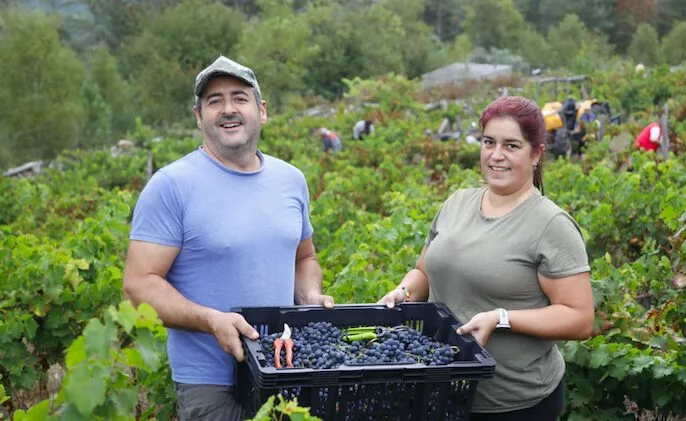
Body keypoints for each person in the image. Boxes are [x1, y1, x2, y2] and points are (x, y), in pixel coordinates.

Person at [123, 55, 334, 421]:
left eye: (239, 97)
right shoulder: (171, 186)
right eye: (214, 100)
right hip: (211, 385)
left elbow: (304, 258)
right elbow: (138, 286)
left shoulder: (290, 179)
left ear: (261, 110)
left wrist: (310, 295)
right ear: (198, 116)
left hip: (283, 371)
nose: (227, 109)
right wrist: (211, 320)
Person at [378, 96, 595, 420]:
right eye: (489, 142)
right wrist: (404, 291)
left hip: (514, 404)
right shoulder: (457, 202)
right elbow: (424, 271)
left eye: (511, 146)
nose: (496, 155)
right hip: (443, 388)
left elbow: (580, 319)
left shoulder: (550, 225)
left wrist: (500, 318)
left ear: (536, 154)